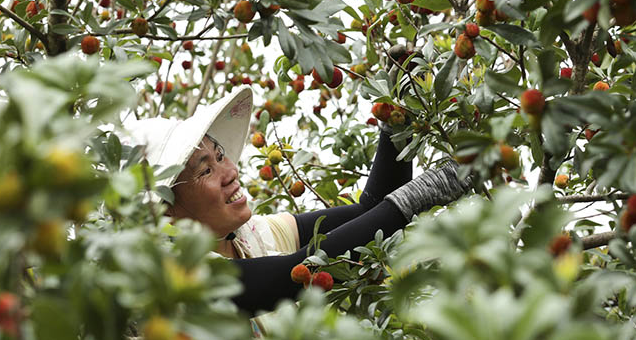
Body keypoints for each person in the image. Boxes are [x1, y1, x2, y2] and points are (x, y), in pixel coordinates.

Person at [124, 85, 470, 320]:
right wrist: (414, 199)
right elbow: (288, 275)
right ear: (165, 208)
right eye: (205, 170)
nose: (229, 172)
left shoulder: (253, 236)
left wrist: (397, 122)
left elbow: (371, 210)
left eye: (220, 155)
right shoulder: (174, 276)